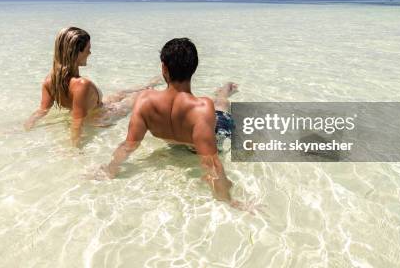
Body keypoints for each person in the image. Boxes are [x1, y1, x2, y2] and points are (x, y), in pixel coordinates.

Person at [95, 38, 243, 207]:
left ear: (163, 68)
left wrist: (110, 170)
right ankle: (223, 92)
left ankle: (224, 91)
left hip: (173, 142)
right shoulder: (202, 107)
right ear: (194, 69)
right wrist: (228, 200)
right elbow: (210, 161)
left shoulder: (144, 100)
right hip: (200, 138)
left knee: (221, 105)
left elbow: (129, 145)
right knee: (221, 106)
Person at [24, 26, 160, 147]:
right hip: (104, 116)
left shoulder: (50, 81)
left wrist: (28, 125)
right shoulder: (81, 85)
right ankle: (153, 85)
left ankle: (151, 83)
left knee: (121, 93)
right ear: (76, 52)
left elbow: (42, 111)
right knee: (143, 95)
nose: (90, 53)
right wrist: (75, 148)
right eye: (88, 49)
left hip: (98, 106)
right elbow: (77, 121)